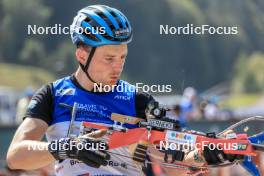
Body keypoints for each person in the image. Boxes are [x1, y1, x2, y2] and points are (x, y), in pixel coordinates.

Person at [7, 4, 243, 176]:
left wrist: (205, 155)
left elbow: (174, 164)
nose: (118, 67)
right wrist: (69, 147)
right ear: (81, 55)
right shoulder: (54, 94)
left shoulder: (139, 100)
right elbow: (16, 156)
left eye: (123, 57)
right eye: (109, 58)